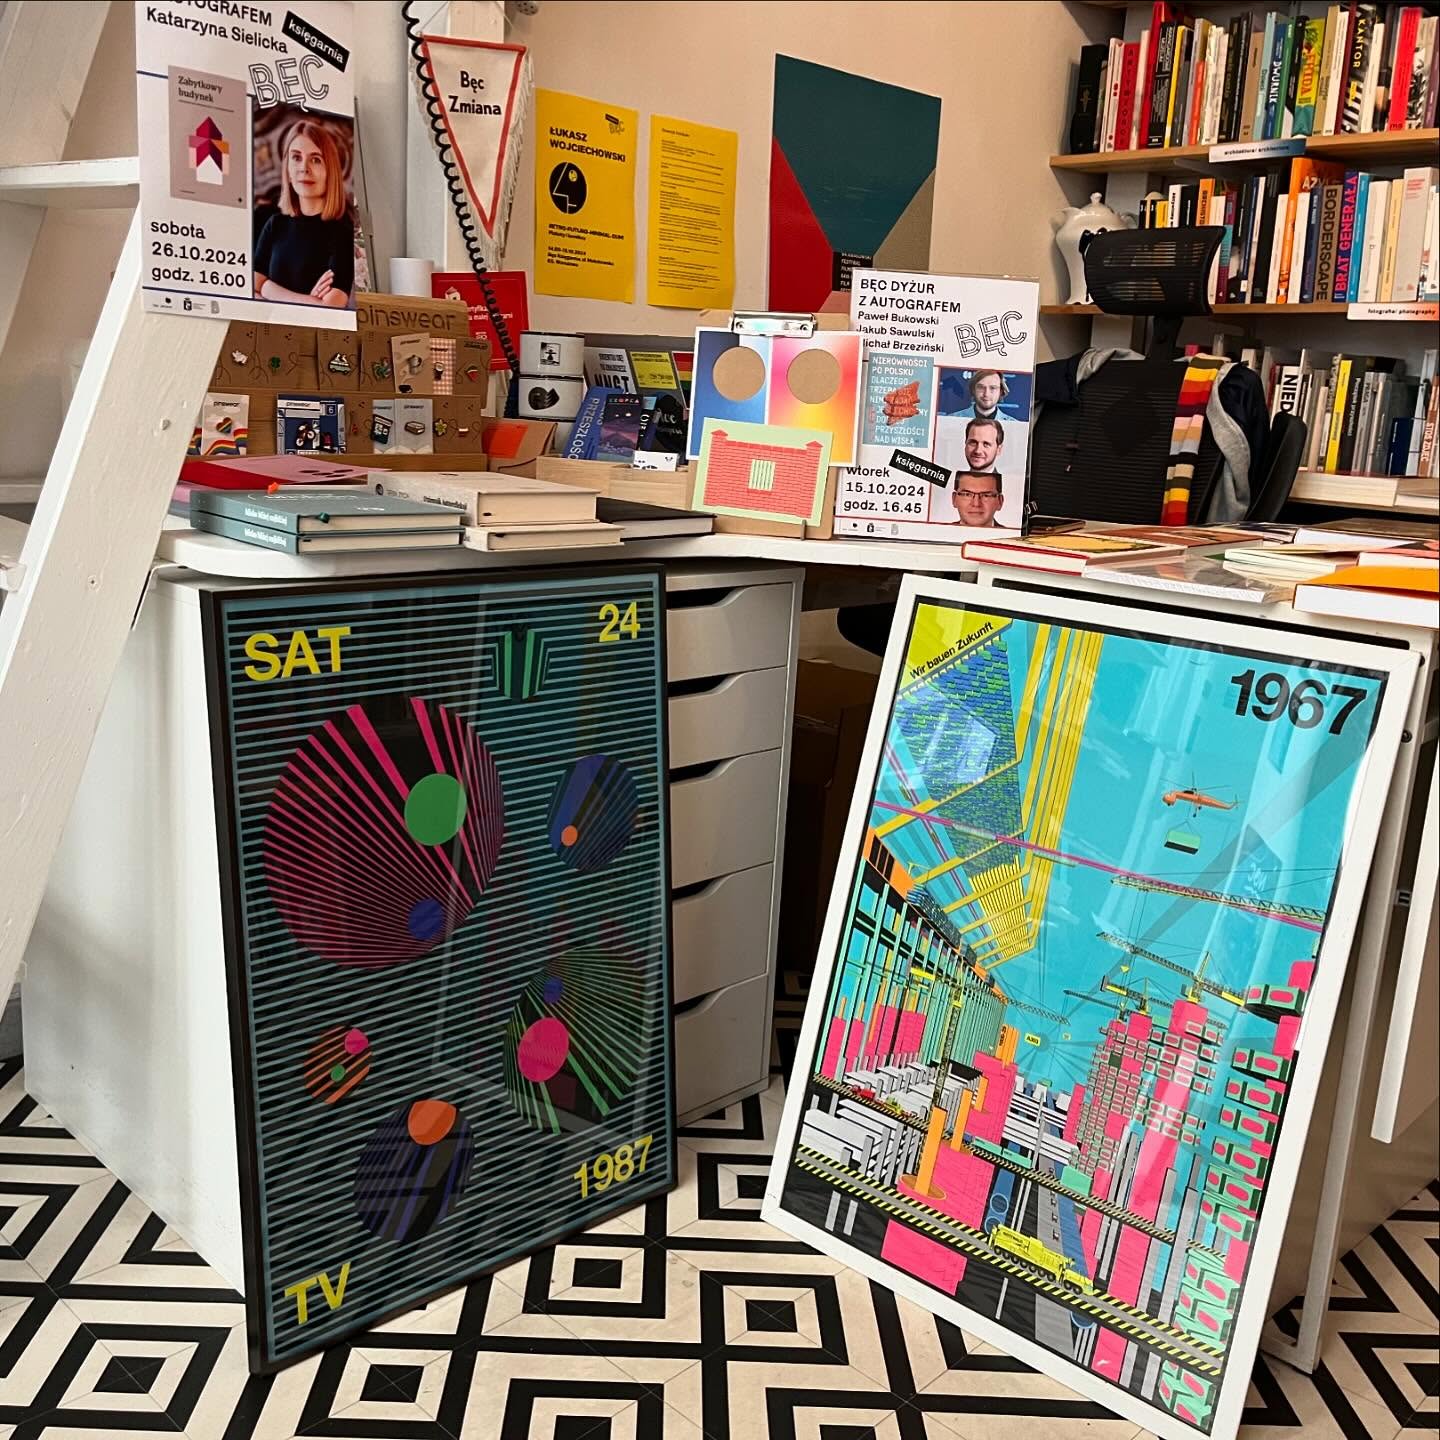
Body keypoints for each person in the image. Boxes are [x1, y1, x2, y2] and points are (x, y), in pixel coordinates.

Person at [254, 120, 354, 309]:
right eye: (296, 158)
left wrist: (268, 290)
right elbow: (250, 288)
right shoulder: (274, 224)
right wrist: (309, 301)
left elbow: (332, 306)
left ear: (329, 171)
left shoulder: (342, 232)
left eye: (316, 159)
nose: (304, 168)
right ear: (288, 170)